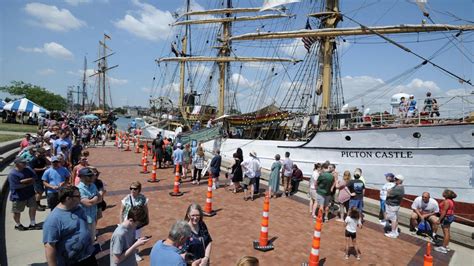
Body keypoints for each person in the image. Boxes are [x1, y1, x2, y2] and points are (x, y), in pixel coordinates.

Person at [43, 186, 97, 265]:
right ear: (68, 199)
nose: (80, 197)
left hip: (88, 256)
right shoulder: (53, 220)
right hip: (70, 262)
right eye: (78, 196)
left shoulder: (78, 208)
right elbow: (49, 246)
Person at [8, 157, 41, 231]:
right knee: (17, 211)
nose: (25, 163)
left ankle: (32, 224)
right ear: (17, 164)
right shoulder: (12, 174)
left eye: (25, 162)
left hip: (30, 193)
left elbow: (35, 177)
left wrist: (23, 181)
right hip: (18, 196)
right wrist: (29, 182)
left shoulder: (28, 169)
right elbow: (15, 186)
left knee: (33, 207)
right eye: (23, 162)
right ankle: (18, 224)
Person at [120, 181, 149, 262]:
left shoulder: (143, 198)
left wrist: (147, 219)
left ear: (139, 189)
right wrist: (121, 222)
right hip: (128, 222)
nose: (132, 190)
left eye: (135, 189)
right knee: (128, 238)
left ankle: (135, 253)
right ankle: (128, 253)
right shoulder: (126, 199)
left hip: (138, 223)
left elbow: (146, 209)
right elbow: (121, 211)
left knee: (136, 238)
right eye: (131, 188)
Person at [77, 167, 102, 241]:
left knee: (92, 238)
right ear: (82, 177)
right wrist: (96, 197)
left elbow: (100, 199)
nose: (92, 177)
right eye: (89, 176)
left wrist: (94, 199)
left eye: (92, 175)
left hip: (93, 217)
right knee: (84, 239)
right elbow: (88, 203)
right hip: (84, 219)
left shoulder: (93, 185)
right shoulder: (79, 189)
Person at [434, 189, 457, 254]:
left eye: (444, 192)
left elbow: (444, 211)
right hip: (450, 217)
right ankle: (446, 245)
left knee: (446, 232)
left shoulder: (446, 201)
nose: (442, 193)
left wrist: (439, 220)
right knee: (447, 232)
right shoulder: (451, 201)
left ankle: (443, 248)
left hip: (446, 217)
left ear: (446, 194)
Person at [384, 174, 405, 239]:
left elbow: (388, 194)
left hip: (392, 206)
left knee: (392, 219)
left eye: (396, 179)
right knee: (395, 218)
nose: (395, 180)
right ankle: (395, 231)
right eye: (395, 178)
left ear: (400, 181)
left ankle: (393, 233)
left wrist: (388, 192)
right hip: (394, 205)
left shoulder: (398, 188)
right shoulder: (398, 186)